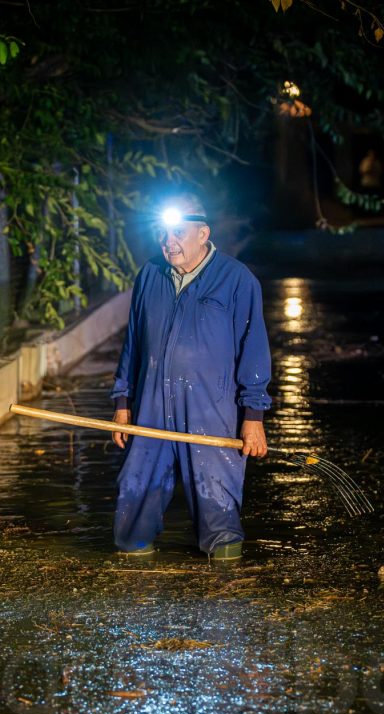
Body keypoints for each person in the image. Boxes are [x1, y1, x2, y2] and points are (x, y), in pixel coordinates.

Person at [109, 193, 272, 560]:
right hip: (151, 407)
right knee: (132, 511)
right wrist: (123, 404)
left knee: (219, 510)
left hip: (211, 411)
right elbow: (132, 344)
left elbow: (254, 350)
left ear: (203, 233)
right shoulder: (150, 274)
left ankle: (225, 591)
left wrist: (254, 418)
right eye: (163, 233)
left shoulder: (236, 280)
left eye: (179, 232)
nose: (170, 242)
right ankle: (132, 577)